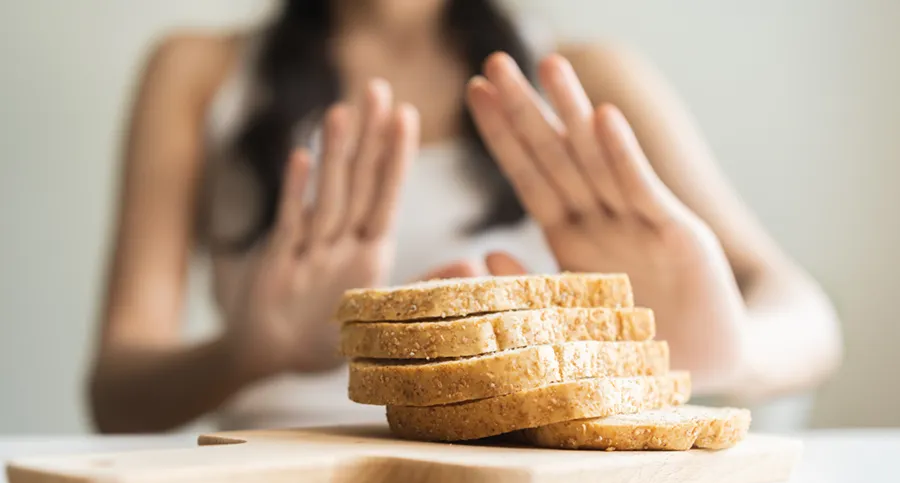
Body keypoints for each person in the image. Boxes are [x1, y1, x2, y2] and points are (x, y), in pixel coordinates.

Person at [87, 0, 842, 433]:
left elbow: (808, 315)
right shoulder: (196, 72)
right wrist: (248, 351)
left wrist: (722, 352)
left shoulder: (591, 77)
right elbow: (114, 392)